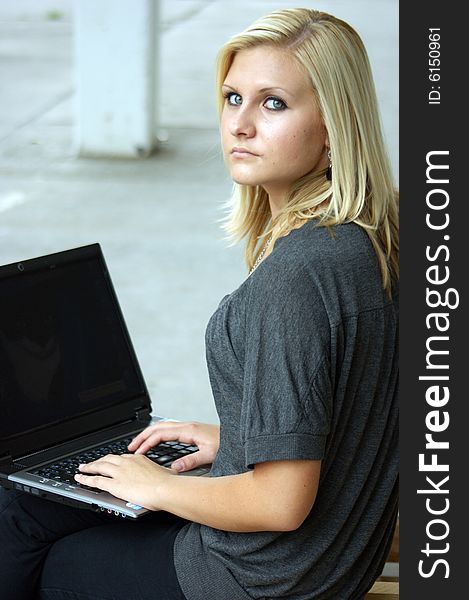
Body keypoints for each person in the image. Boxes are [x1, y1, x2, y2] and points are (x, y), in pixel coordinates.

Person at [0, 7, 398, 600]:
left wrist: (154, 486)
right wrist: (240, 437)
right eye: (233, 97)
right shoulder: (380, 240)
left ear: (337, 124)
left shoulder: (294, 279)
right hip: (332, 561)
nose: (239, 124)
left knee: (51, 551)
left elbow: (281, 503)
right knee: (30, 503)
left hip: (262, 577)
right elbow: (350, 403)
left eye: (273, 103)